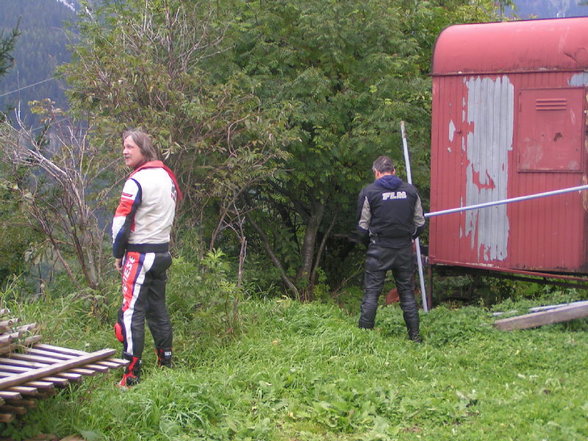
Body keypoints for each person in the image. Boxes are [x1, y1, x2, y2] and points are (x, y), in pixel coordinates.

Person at [112, 129, 182, 386]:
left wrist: (118, 253)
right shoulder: (167, 176)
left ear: (143, 149)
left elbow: (121, 221)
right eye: (123, 146)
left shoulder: (137, 181)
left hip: (140, 254)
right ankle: (166, 363)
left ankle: (130, 375)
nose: (124, 151)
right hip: (162, 251)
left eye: (130, 146)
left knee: (131, 314)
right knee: (157, 309)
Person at [355, 155, 425, 342]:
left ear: (376, 173)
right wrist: (408, 238)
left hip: (379, 248)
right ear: (394, 171)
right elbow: (420, 224)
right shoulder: (411, 191)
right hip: (403, 249)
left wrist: (369, 244)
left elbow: (362, 227)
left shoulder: (369, 192)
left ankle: (363, 338)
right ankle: (415, 337)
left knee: (372, 293)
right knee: (407, 294)